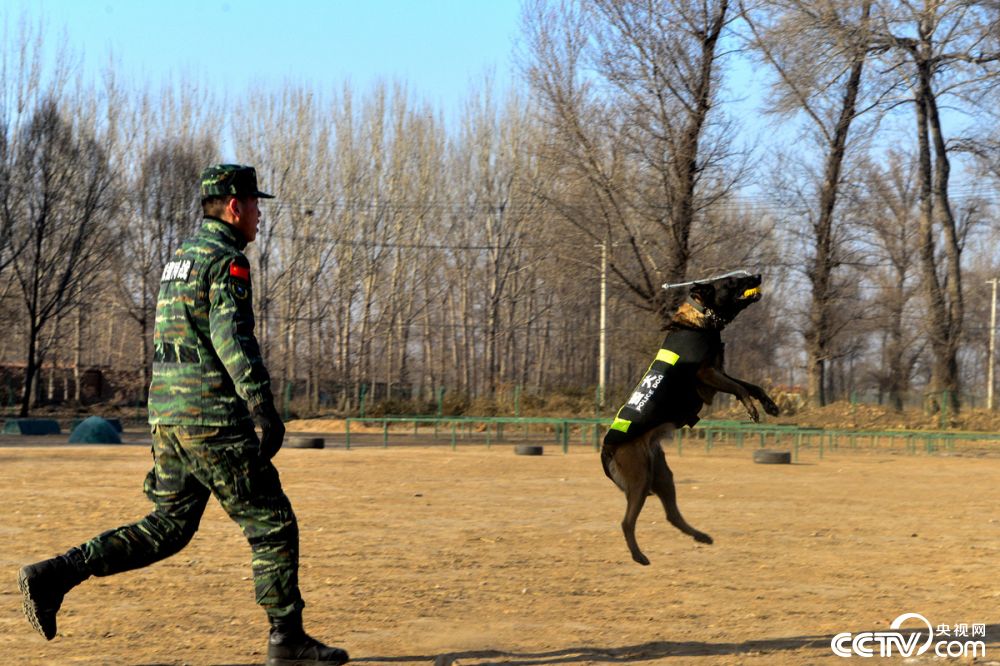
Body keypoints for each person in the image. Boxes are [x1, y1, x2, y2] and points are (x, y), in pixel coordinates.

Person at [18, 164, 349, 666]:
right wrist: (262, 404)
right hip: (211, 417)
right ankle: (287, 639)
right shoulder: (226, 261)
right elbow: (230, 336)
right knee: (272, 524)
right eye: (255, 204)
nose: (260, 214)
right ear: (234, 206)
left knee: (168, 527)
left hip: (168, 417)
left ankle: (56, 573)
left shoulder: (181, 259)